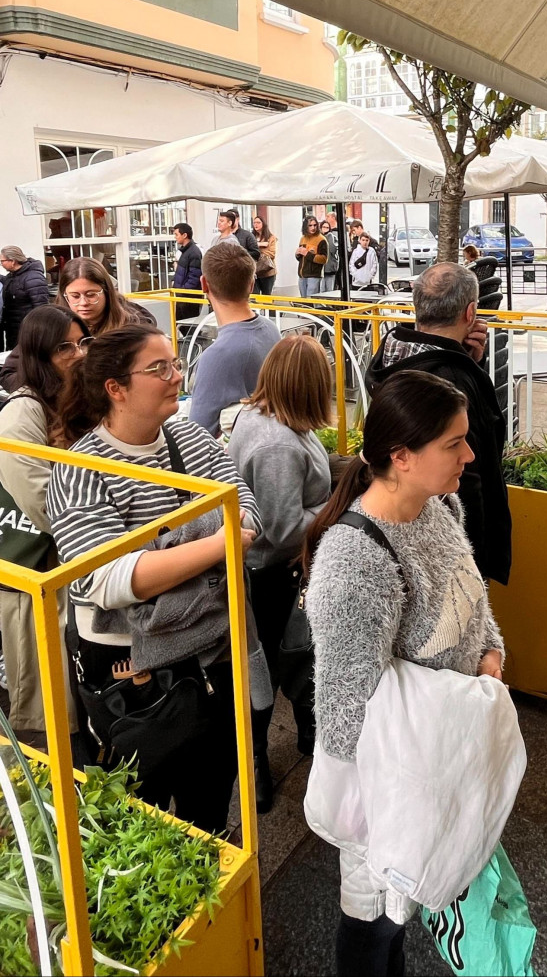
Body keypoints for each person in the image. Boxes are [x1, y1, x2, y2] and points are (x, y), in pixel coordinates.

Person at [301, 369, 505, 977]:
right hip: (388, 786)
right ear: (402, 457)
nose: (470, 456)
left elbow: (470, 590)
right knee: (375, 920)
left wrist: (489, 651)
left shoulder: (438, 505)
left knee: (405, 910)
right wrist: (364, 822)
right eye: (454, 444)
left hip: (440, 753)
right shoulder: (354, 561)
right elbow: (343, 711)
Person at [48, 324, 260, 834]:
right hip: (132, 678)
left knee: (209, 798)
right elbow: (103, 580)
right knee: (139, 813)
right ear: (115, 389)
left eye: (175, 363)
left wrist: (158, 551)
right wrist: (213, 543)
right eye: (159, 368)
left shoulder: (185, 434)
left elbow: (247, 512)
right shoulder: (79, 467)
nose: (176, 375)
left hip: (211, 657)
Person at [227, 335, 333, 812]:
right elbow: (282, 528)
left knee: (275, 664)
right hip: (269, 577)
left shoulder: (261, 415)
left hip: (267, 575)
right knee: (269, 668)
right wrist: (337, 506)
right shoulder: (277, 445)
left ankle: (288, 745)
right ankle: (256, 767)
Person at [365, 262, 510, 584]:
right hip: (446, 538)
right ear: (470, 312)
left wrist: (470, 361)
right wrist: (476, 560)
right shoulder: (450, 379)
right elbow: (469, 475)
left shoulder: (392, 351)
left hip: (402, 514)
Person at [0, 305, 91, 749]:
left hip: (69, 569)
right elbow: (43, 503)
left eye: (81, 343)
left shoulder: (73, 400)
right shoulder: (22, 415)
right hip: (38, 568)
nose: (77, 354)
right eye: (63, 348)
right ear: (39, 355)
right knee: (50, 704)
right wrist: (104, 534)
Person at [1, 256, 153, 393]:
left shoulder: (134, 326)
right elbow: (10, 373)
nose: (83, 303)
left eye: (91, 295)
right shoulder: (50, 324)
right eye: (75, 296)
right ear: (64, 295)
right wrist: (54, 394)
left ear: (107, 292)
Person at [188, 244, 280, 436]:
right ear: (252, 284)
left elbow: (198, 434)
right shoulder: (271, 329)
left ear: (204, 284)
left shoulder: (216, 356)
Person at [0, 245, 50, 351]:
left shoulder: (33, 277)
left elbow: (41, 307)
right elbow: (11, 284)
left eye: (2, 261)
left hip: (27, 329)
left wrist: (35, 329)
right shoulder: (14, 275)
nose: (1, 264)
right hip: (14, 328)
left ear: (12, 261)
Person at [172, 222, 204, 320]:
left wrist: (183, 290)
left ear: (185, 235)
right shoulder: (185, 252)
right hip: (182, 295)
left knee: (188, 325)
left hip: (188, 297)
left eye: (176, 234)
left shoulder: (194, 253)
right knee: (180, 323)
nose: (175, 237)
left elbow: (194, 277)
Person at [296, 215, 329, 298]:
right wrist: (297, 254)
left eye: (315, 225)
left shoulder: (321, 239)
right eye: (310, 225)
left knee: (311, 299)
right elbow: (301, 258)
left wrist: (307, 254)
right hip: (302, 274)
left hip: (314, 275)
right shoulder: (303, 238)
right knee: (304, 301)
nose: (313, 228)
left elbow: (324, 259)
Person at [252, 216, 278, 296]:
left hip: (268, 271)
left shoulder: (271, 237)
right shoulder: (251, 237)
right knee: (255, 296)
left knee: (267, 295)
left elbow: (271, 254)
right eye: (254, 223)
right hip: (255, 271)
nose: (256, 225)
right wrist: (260, 244)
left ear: (263, 224)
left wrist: (257, 249)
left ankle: (269, 309)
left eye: (258, 222)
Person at [318, 215, 340, 293]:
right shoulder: (318, 237)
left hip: (330, 268)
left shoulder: (332, 237)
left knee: (329, 290)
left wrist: (330, 238)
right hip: (320, 269)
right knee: (321, 290)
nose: (325, 229)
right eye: (324, 227)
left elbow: (333, 250)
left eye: (327, 227)